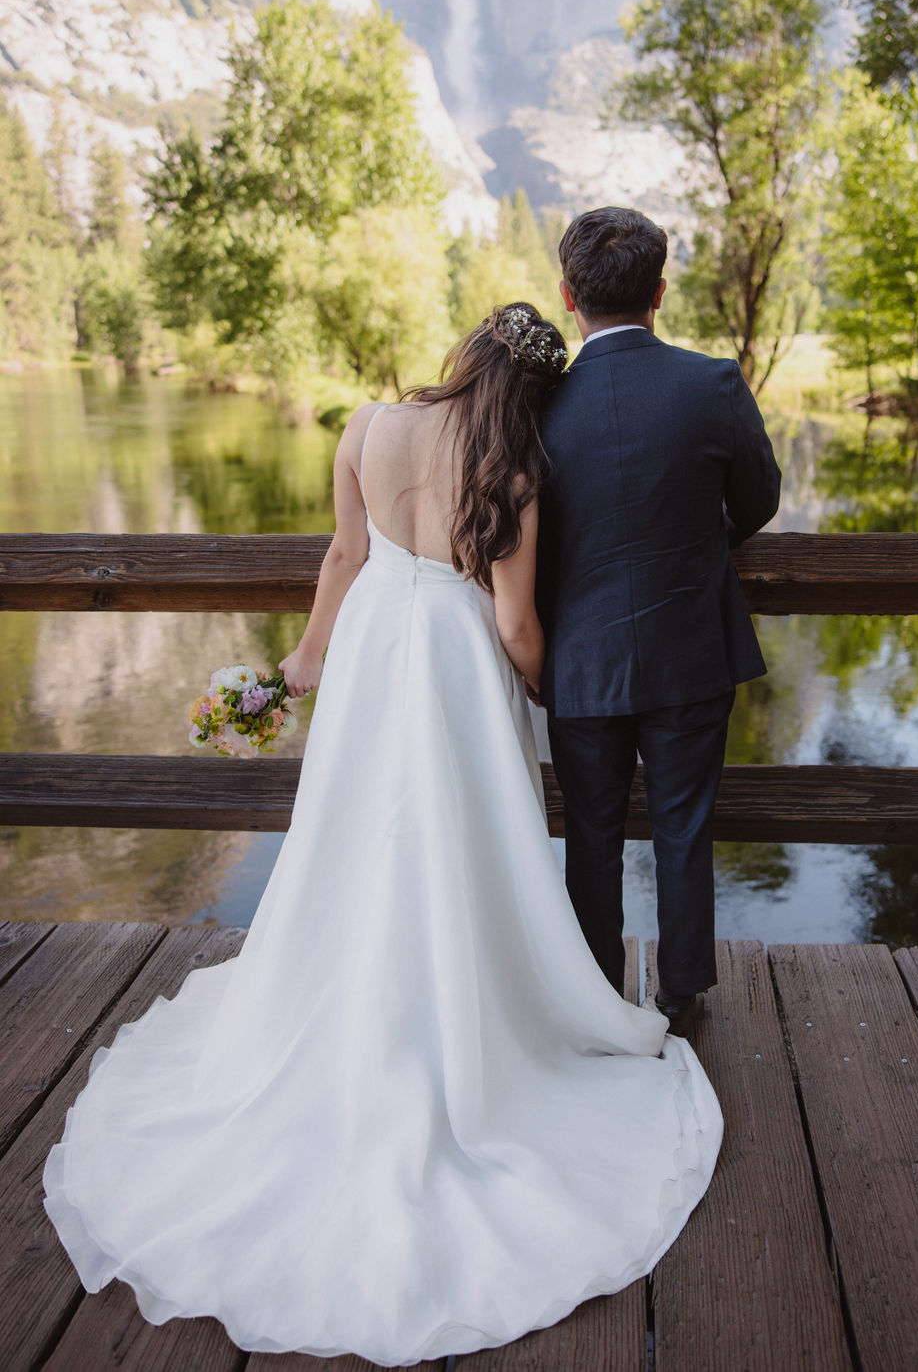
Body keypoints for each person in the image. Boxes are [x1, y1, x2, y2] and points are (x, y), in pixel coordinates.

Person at [42, 302, 723, 1366]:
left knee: (357, 836)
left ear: (464, 358)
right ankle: (456, 1002)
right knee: (457, 845)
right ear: (531, 392)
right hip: (453, 660)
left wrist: (308, 659)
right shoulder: (510, 470)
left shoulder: (364, 424)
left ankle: (353, 985)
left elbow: (343, 553)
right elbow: (510, 621)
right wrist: (541, 686)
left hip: (371, 654)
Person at [537, 208, 781, 1034]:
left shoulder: (536, 403)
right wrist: (698, 542)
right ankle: (682, 993)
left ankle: (598, 991)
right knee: (684, 824)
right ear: (660, 293)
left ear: (569, 295)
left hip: (578, 658)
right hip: (690, 649)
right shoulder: (711, 383)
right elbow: (759, 500)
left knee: (591, 834)